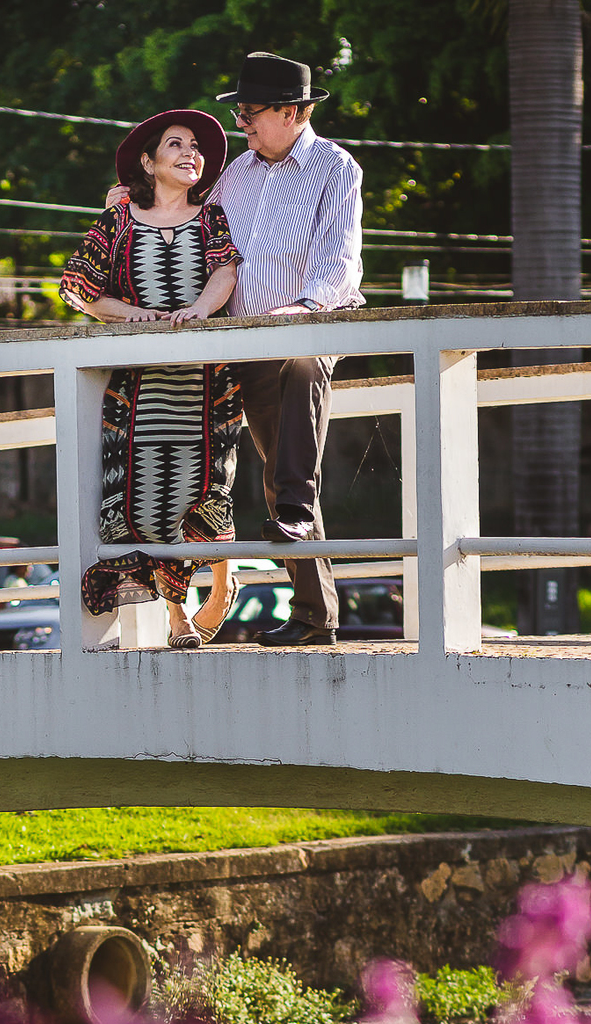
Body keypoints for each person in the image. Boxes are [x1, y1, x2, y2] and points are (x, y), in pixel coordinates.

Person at [108, 53, 364, 648]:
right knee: (275, 473)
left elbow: (338, 266)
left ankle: (296, 528)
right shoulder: (236, 174)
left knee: (295, 435)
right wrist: (130, 201)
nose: (242, 123)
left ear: (293, 111)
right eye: (242, 112)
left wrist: (294, 314)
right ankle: (311, 613)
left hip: (309, 327)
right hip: (239, 339)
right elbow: (188, 221)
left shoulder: (335, 169)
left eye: (251, 113)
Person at [59, 111, 243, 648]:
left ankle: (220, 586)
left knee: (207, 490)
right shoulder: (116, 222)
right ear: (148, 160)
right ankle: (177, 618)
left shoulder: (211, 216)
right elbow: (78, 286)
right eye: (176, 144)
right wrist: (127, 314)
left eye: (197, 148)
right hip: (139, 391)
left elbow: (225, 270)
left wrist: (199, 311)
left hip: (204, 386)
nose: (191, 154)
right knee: (146, 500)